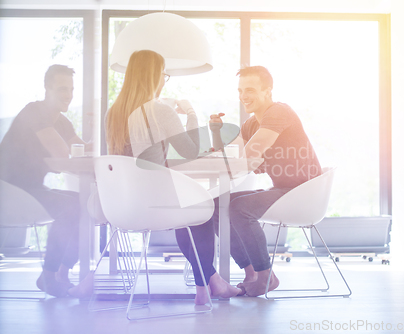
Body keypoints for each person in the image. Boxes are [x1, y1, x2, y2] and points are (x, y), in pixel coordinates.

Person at [105, 49, 241, 305]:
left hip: (123, 207)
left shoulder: (112, 114)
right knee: (202, 211)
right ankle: (204, 290)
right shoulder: (159, 111)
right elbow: (191, 151)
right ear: (155, 76)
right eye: (163, 75)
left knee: (187, 214)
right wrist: (190, 113)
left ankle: (215, 282)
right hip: (155, 204)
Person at [212, 66, 322, 297]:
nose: (243, 96)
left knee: (239, 208)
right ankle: (252, 273)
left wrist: (241, 155)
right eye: (240, 90)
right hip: (283, 189)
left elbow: (250, 153)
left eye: (249, 90)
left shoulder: (278, 111)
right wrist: (218, 133)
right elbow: (239, 159)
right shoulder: (251, 124)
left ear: (268, 91)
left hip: (303, 192)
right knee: (217, 206)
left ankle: (266, 276)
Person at [0, 64, 90, 298]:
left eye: (71, 89)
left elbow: (82, 149)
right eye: (62, 89)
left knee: (85, 203)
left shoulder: (62, 122)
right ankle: (48, 276)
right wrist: (79, 150)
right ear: (46, 89)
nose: (68, 95)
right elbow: (62, 152)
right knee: (70, 207)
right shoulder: (34, 111)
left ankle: (61, 272)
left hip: (32, 189)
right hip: (10, 190)